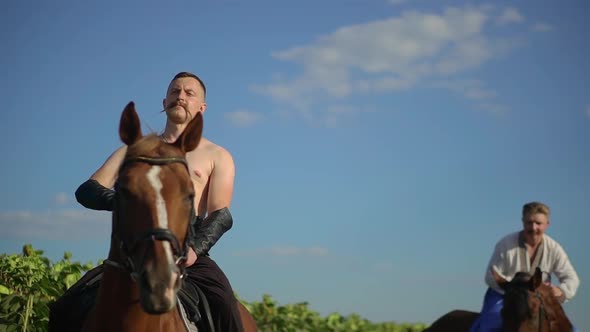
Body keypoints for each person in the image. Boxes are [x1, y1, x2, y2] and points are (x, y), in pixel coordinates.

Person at [70, 72, 244, 331]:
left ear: (202, 108)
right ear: (164, 102)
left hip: (189, 247)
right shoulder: (135, 150)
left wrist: (195, 249)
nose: (180, 97)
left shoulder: (216, 155)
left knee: (226, 306)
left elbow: (221, 213)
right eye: (175, 91)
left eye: (189, 93)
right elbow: (88, 190)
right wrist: (128, 202)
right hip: (135, 246)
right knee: (70, 303)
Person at [469, 201, 580, 332]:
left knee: (571, 330)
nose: (533, 227)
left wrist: (561, 290)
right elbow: (490, 275)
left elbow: (572, 279)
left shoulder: (554, 249)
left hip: (538, 297)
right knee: (490, 325)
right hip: (505, 294)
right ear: (523, 221)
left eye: (538, 223)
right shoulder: (505, 244)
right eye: (529, 222)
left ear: (547, 224)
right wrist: (512, 289)